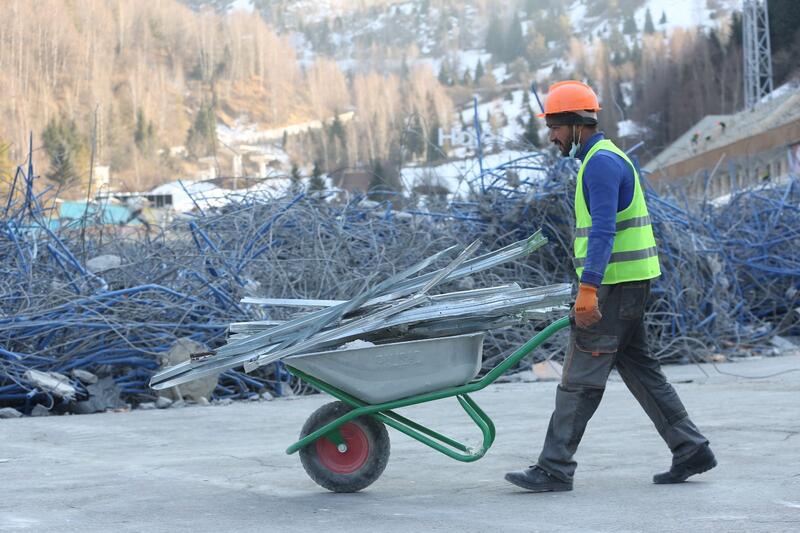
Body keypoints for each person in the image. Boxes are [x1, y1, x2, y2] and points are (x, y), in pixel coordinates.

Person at [505, 80, 716, 492]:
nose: (551, 136)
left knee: (580, 377)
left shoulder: (600, 164)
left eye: (555, 127)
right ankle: (690, 448)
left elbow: (603, 230)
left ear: (576, 124)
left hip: (612, 288)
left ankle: (554, 467)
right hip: (628, 285)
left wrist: (588, 290)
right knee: (640, 370)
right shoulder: (606, 158)